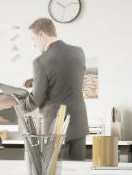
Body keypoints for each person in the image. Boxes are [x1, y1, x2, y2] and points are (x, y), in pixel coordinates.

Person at [19, 17, 88, 161]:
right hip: (79, 124)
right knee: (79, 172)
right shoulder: (78, 52)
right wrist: (36, 81)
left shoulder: (40, 61)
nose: (34, 45)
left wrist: (21, 101)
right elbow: (68, 77)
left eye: (34, 39)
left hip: (57, 128)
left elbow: (36, 99)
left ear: (42, 35)